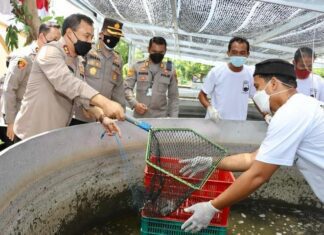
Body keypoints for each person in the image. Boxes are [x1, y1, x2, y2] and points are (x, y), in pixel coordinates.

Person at [180, 59, 324, 233]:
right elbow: (252, 159)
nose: (256, 93)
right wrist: (212, 161)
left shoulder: (291, 113)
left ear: (273, 83)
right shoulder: (302, 107)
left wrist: (212, 206)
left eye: (257, 86)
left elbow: (258, 175)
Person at [14, 14, 125, 141]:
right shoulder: (50, 51)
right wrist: (105, 103)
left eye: (92, 37)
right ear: (70, 33)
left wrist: (102, 117)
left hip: (53, 135)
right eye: (86, 36)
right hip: (30, 134)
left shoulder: (77, 61)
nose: (90, 42)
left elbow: (80, 97)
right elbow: (67, 82)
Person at [0, 22, 61, 149]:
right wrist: (10, 122)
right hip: (15, 117)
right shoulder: (24, 58)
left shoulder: (50, 59)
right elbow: (9, 89)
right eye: (53, 40)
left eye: (58, 41)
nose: (57, 44)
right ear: (41, 37)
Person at [71, 18, 126, 125]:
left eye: (117, 37)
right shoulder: (87, 51)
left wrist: (121, 110)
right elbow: (78, 79)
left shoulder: (118, 59)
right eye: (111, 35)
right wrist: (86, 105)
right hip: (81, 113)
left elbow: (118, 89)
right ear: (101, 34)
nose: (114, 39)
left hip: (103, 118)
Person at [198, 36, 255, 121]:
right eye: (234, 52)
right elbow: (201, 95)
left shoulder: (250, 74)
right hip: (215, 122)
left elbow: (256, 97)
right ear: (228, 53)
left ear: (247, 54)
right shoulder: (216, 72)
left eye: (242, 53)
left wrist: (266, 115)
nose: (238, 56)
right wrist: (210, 108)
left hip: (238, 124)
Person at [124, 36, 179, 118]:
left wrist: (173, 120)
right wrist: (135, 104)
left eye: (161, 52)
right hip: (140, 116)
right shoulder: (137, 66)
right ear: (148, 49)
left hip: (161, 117)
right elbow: (126, 88)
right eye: (154, 51)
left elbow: (174, 97)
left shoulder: (170, 70)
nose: (157, 54)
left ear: (165, 51)